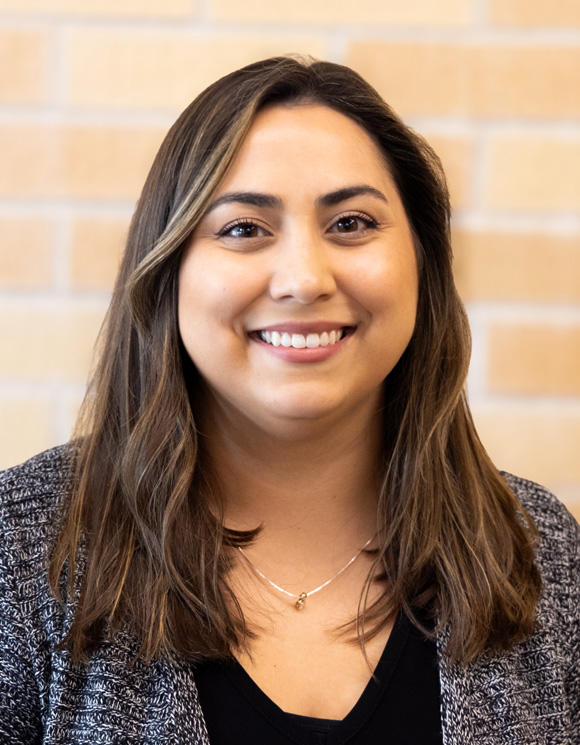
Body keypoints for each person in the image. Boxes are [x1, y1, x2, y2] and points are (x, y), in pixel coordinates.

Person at [0, 55, 578, 745]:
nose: (304, 279)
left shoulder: (542, 553)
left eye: (352, 223)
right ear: (169, 270)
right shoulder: (21, 552)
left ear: (422, 263)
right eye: (244, 228)